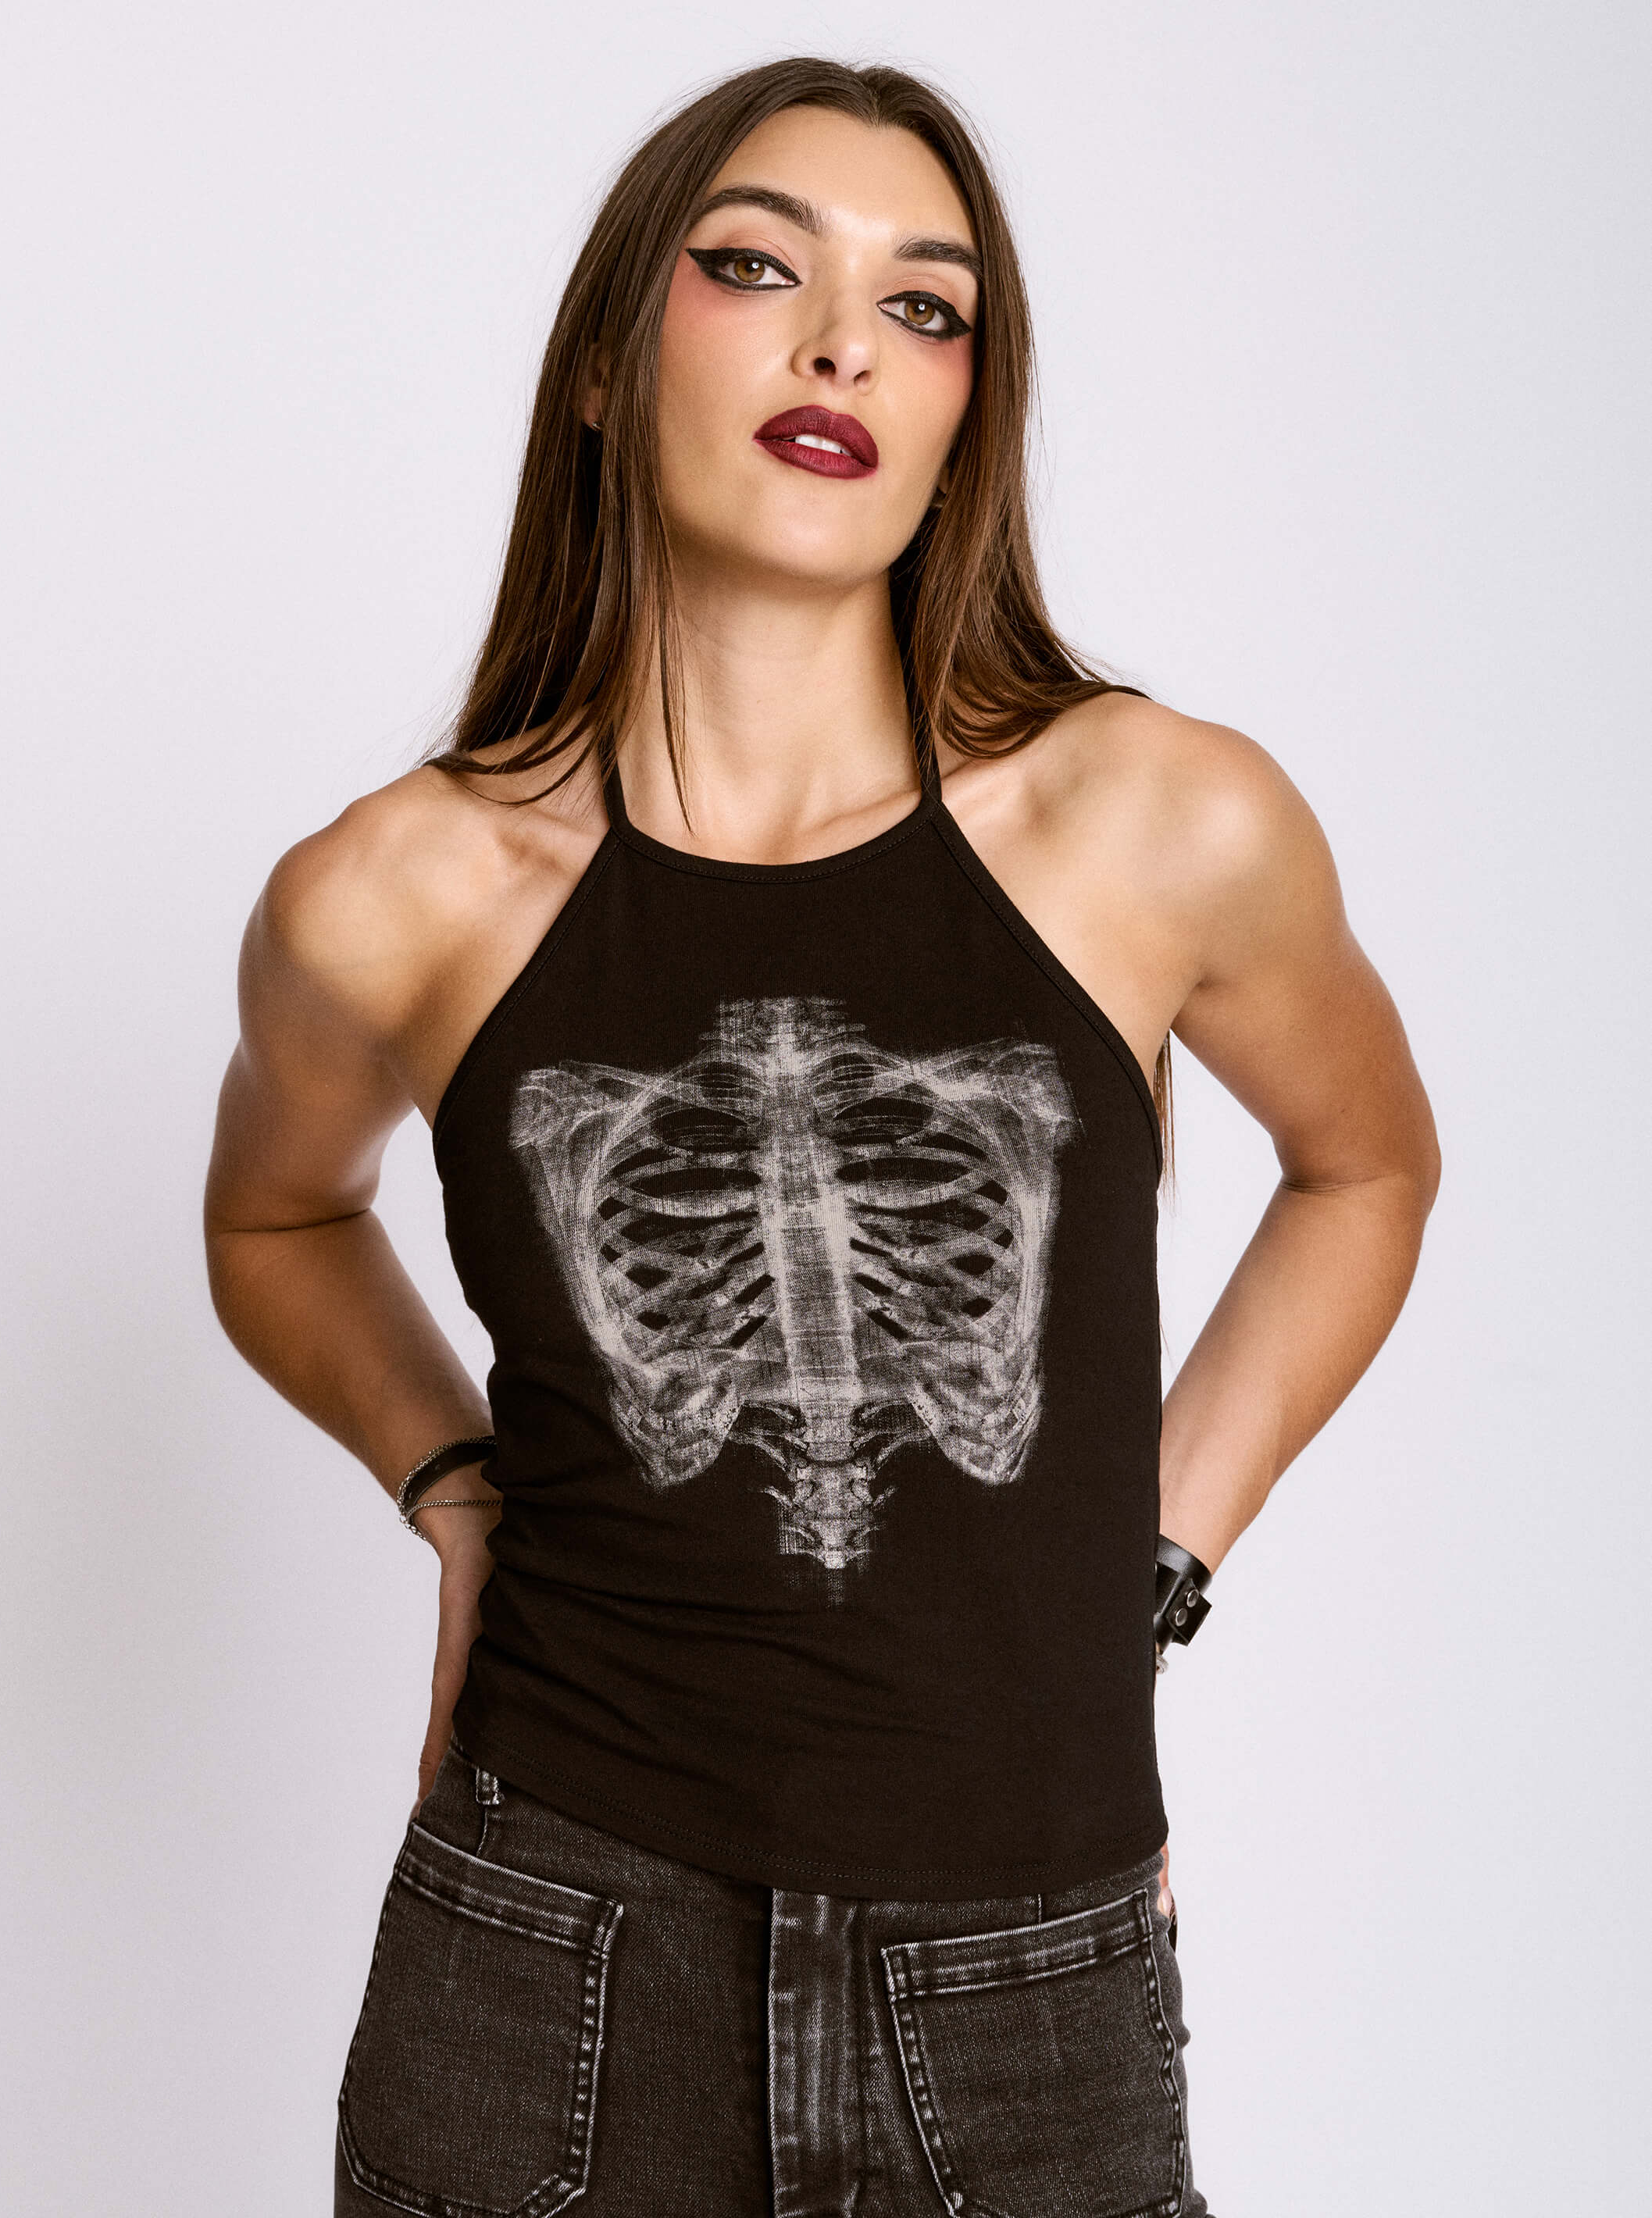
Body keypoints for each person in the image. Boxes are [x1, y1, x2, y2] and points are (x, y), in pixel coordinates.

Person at [204, 55, 1440, 2218]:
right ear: (607, 364)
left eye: (925, 306)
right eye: (757, 268)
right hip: (550, 1943)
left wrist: (1150, 1565)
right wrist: (453, 1491)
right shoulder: (394, 893)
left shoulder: (1157, 821)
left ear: (968, 408)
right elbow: (276, 1220)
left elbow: (1368, 1168)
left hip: (1029, 1971)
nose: (843, 344)